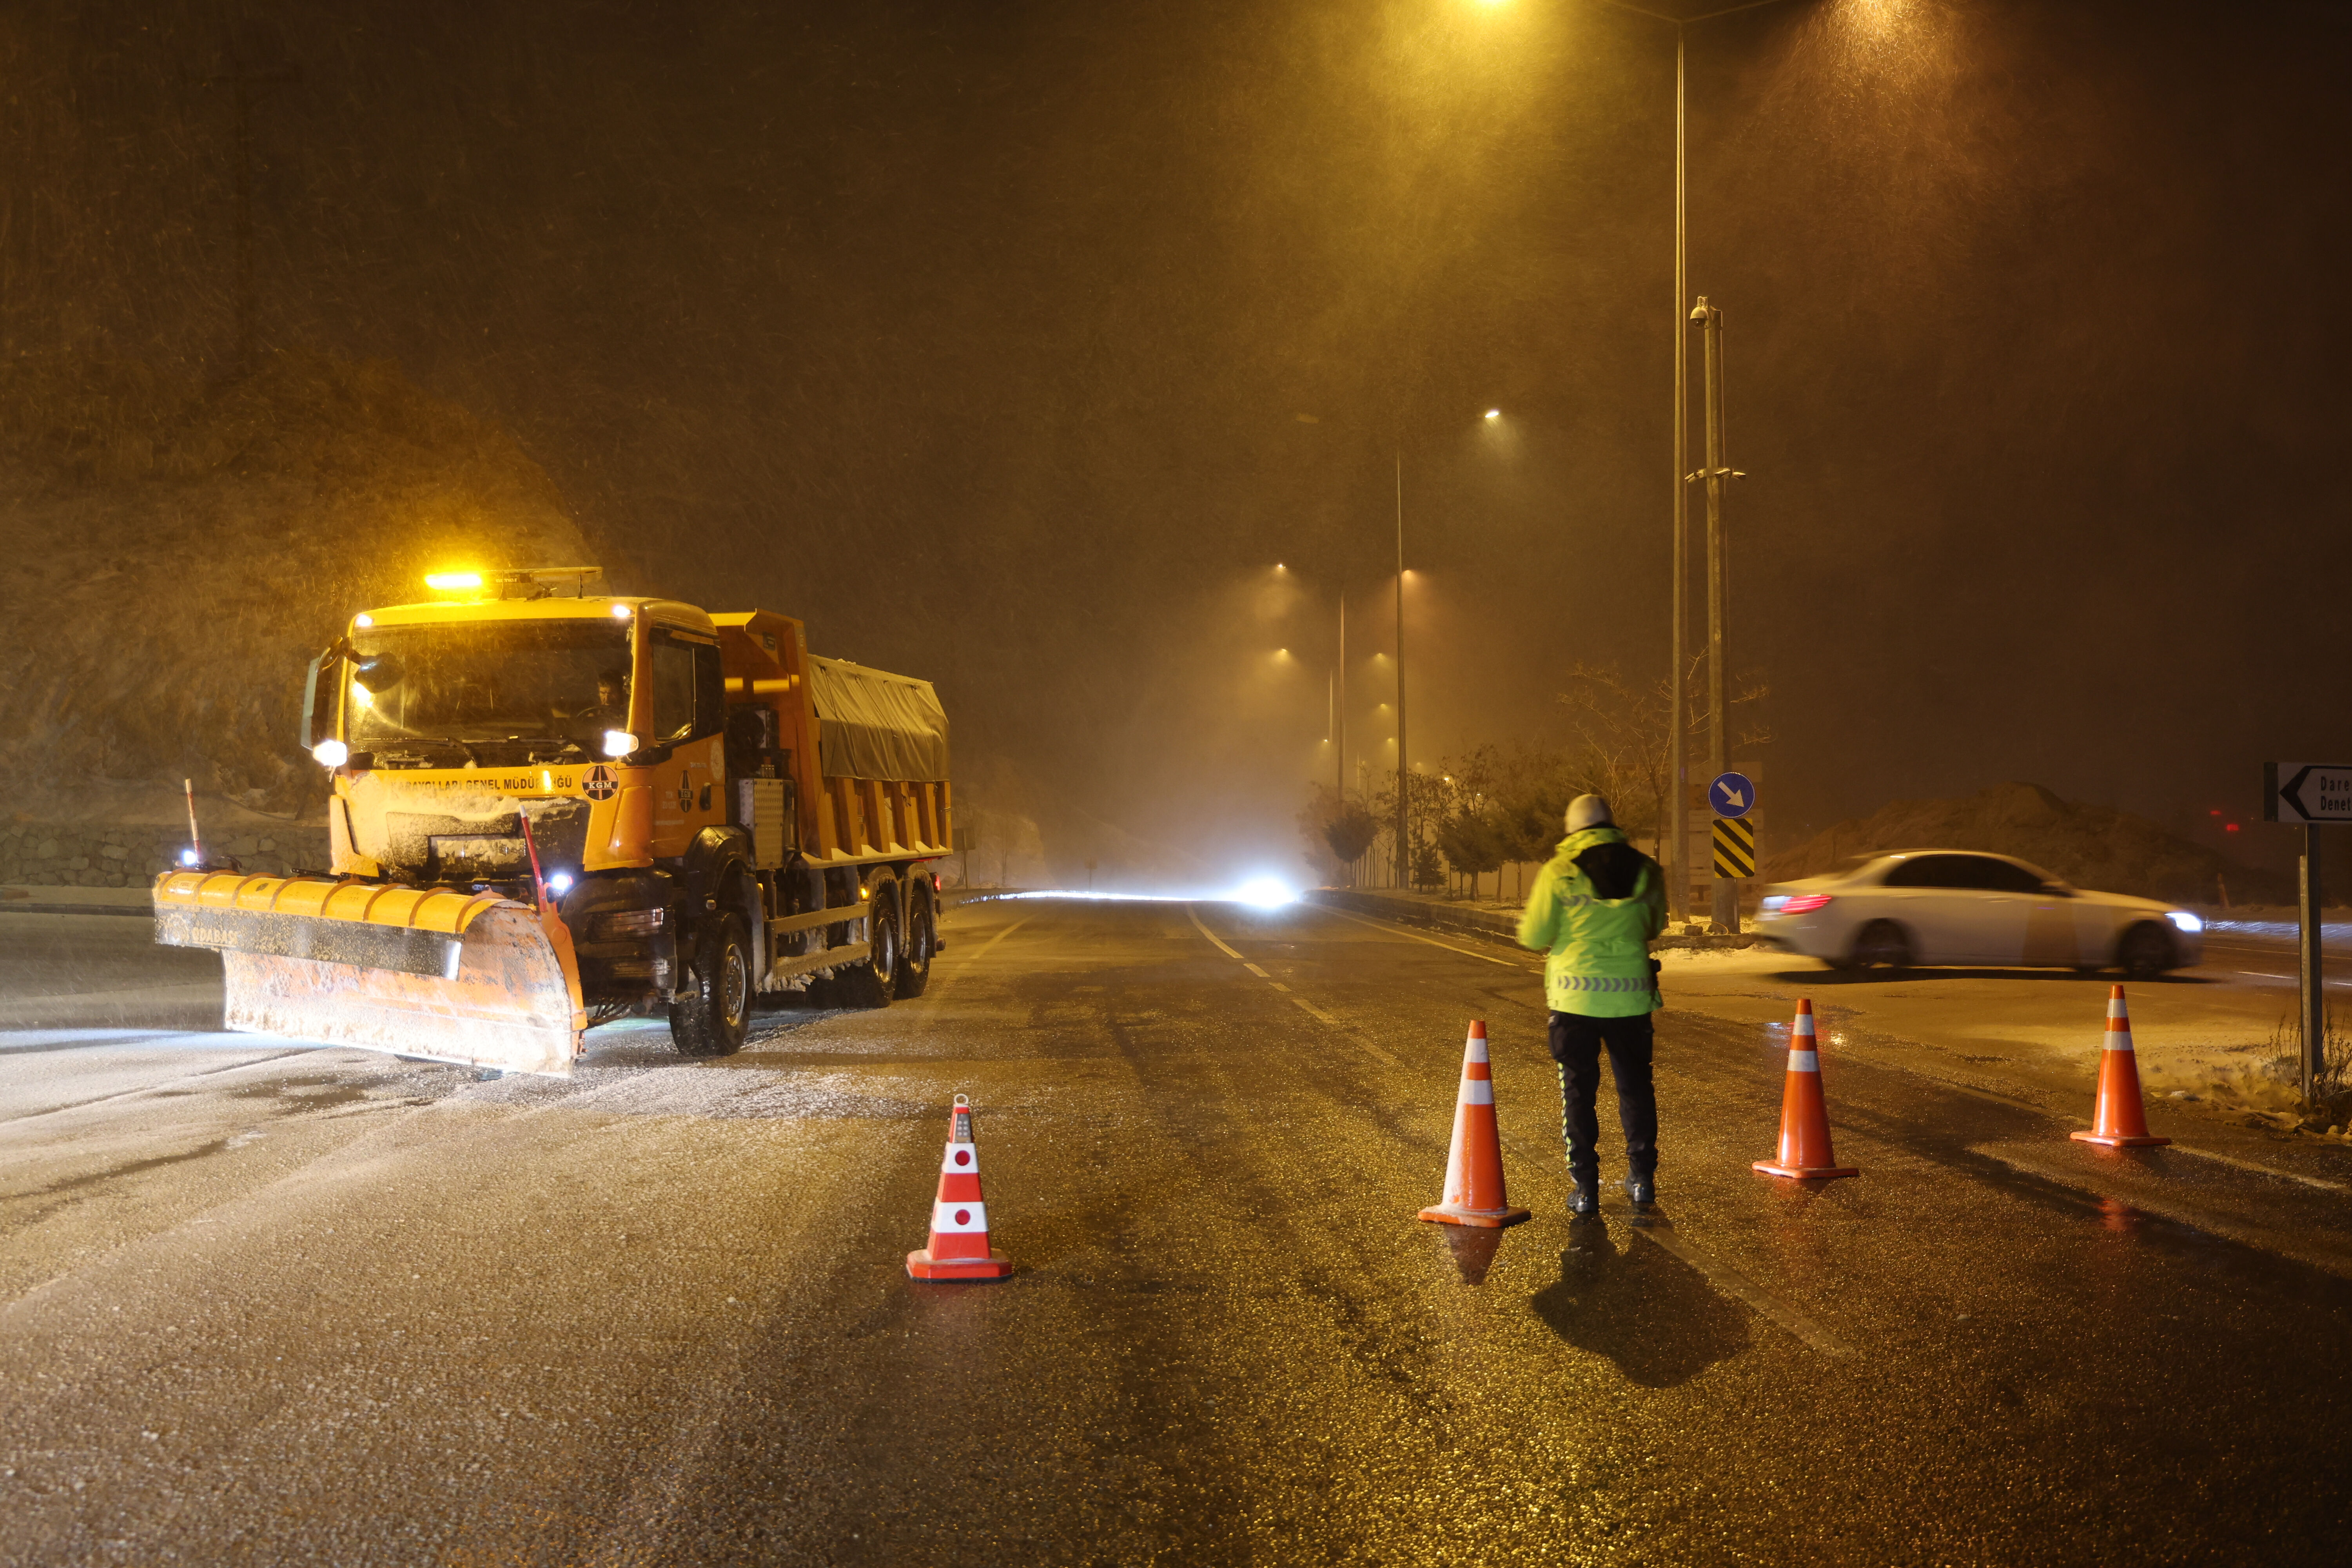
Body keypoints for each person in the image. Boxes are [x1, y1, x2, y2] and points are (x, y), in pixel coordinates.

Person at [1515, 793, 1668, 1217]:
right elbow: (1656, 923)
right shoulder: (1647, 869)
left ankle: (1586, 1189)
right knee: (1636, 1088)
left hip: (1575, 1000)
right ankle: (1641, 1180)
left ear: (1571, 829)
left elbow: (1533, 935)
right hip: (1631, 997)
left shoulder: (1558, 872)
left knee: (1578, 1092)